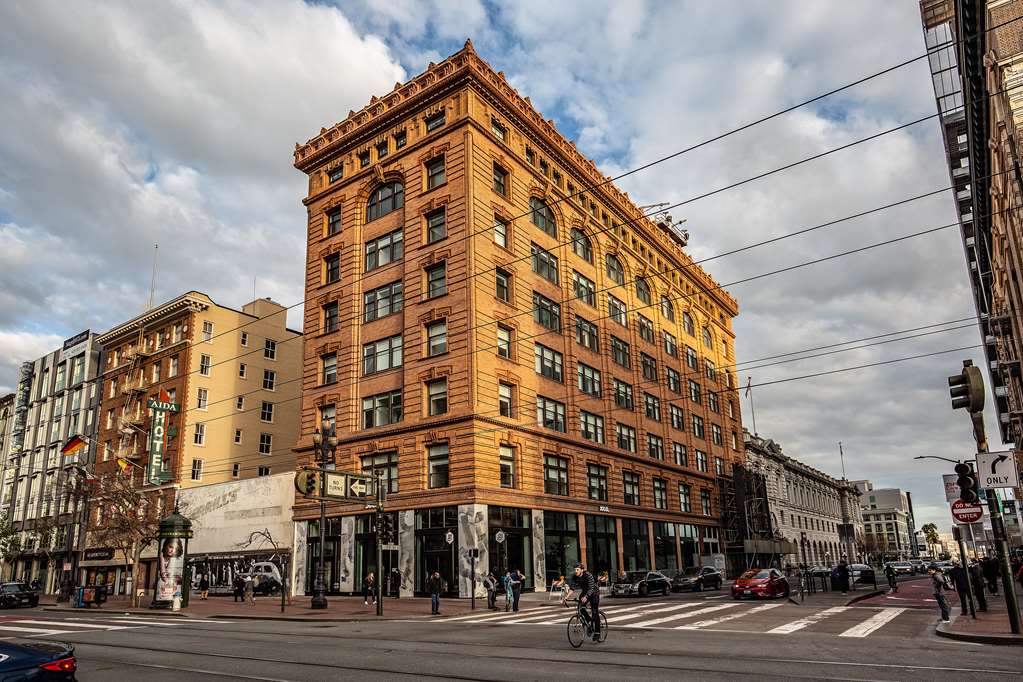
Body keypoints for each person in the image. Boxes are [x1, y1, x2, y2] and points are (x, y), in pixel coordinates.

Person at [563, 563, 601, 642]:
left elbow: (591, 588)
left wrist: (586, 597)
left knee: (594, 612)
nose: (576, 571)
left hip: (594, 592)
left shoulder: (588, 575)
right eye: (575, 570)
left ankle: (597, 632)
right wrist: (566, 597)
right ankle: (588, 621)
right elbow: (572, 588)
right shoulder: (575, 577)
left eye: (577, 569)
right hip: (585, 592)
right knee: (580, 608)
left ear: (582, 570)